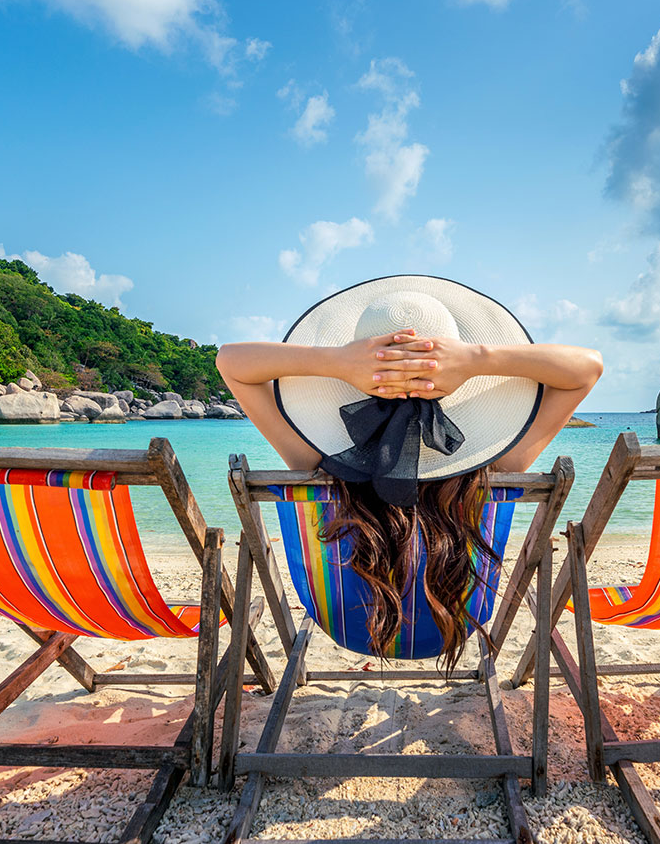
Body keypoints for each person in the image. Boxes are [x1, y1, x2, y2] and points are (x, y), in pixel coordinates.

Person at [216, 275, 602, 672]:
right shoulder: (499, 466)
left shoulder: (313, 459)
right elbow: (588, 368)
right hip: (453, 623)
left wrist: (338, 362)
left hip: (347, 626)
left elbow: (229, 361)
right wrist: (476, 359)